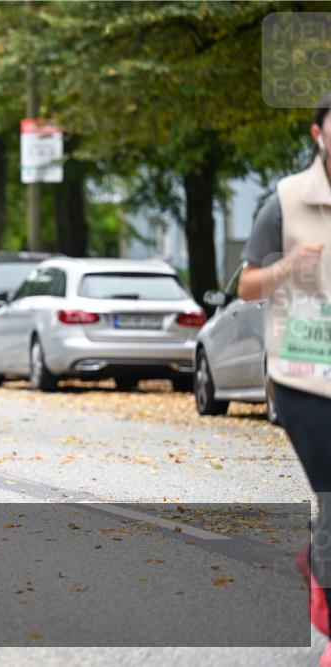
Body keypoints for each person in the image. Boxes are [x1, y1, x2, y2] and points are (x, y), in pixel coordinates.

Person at [239, 91, 331, 666]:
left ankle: (317, 563)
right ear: (319, 134)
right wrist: (289, 267)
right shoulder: (286, 200)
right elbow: (248, 285)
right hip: (306, 380)